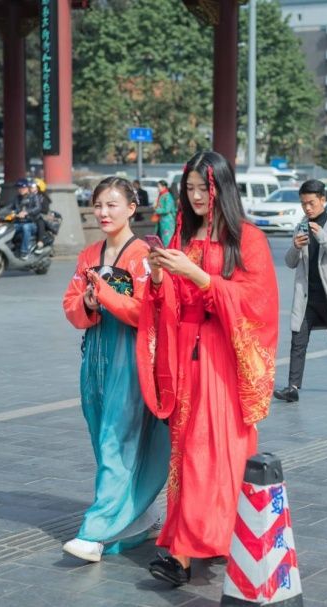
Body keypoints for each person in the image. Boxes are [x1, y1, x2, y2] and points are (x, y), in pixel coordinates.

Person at [136, 151, 279, 586]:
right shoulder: (185, 234)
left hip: (223, 356)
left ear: (223, 188)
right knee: (188, 451)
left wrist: (199, 276)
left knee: (214, 451)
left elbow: (258, 301)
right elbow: (171, 303)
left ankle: (183, 551)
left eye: (205, 188)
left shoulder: (247, 239)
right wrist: (161, 277)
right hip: (187, 355)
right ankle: (193, 540)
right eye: (191, 188)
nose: (197, 196)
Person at [61, 176, 170, 562]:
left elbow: (146, 312)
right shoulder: (89, 254)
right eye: (98, 205)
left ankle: (95, 531)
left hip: (131, 356)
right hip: (95, 355)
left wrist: (104, 294)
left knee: (115, 439)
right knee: (101, 435)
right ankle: (140, 513)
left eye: (112, 205)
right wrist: (89, 301)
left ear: (131, 207)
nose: (104, 212)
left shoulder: (144, 255)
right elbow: (70, 304)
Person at [273, 180, 327, 403]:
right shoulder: (301, 224)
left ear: (323, 200)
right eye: (303, 204)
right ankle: (292, 387)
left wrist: (322, 237)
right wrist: (296, 246)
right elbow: (290, 262)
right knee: (298, 340)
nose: (307, 208)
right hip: (306, 295)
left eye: (311, 203)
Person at [154, 179, 176, 246]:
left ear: (164, 187)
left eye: (159, 186)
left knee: (167, 239)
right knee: (162, 239)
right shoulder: (162, 195)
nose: (158, 188)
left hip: (167, 221)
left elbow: (167, 209)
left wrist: (157, 210)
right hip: (162, 220)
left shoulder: (167, 196)